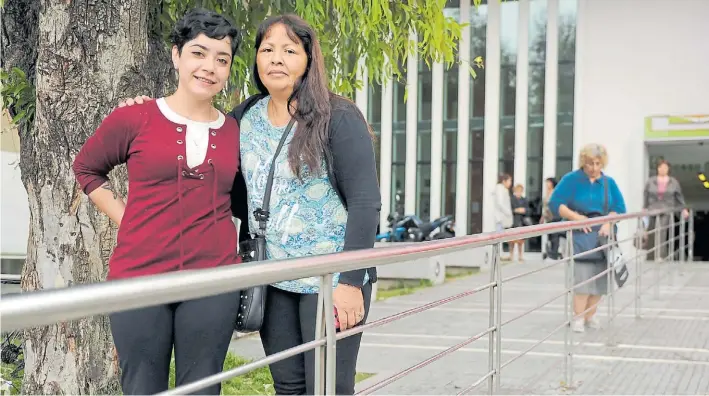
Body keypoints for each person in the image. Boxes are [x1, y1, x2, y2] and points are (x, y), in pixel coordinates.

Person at [120, 13, 381, 395]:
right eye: (268, 49)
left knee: (328, 388)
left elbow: (365, 202)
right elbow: (210, 158)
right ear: (257, 59)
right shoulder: (243, 118)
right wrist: (144, 111)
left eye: (290, 50)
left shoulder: (337, 117)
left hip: (329, 279)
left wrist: (351, 282)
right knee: (288, 387)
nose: (277, 58)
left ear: (309, 60)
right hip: (272, 279)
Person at [72, 9, 243, 394]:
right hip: (139, 278)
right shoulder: (136, 117)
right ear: (176, 55)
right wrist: (127, 217)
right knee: (142, 387)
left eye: (222, 59)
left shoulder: (235, 129)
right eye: (198, 53)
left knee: (202, 389)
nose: (209, 67)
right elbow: (86, 169)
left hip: (213, 280)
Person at [548, 143, 626, 333]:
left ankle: (591, 316)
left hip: (603, 237)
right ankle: (578, 318)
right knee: (582, 280)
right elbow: (555, 203)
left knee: (600, 280)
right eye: (590, 164)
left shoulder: (609, 183)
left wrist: (609, 221)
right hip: (580, 237)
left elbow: (620, 208)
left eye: (598, 164)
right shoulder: (571, 180)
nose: (594, 168)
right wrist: (576, 218)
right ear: (583, 162)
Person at [642, 159, 689, 260]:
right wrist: (644, 208)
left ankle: (659, 255)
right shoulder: (651, 181)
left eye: (665, 168)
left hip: (667, 209)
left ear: (668, 169)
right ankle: (650, 256)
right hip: (652, 209)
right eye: (661, 167)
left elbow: (679, 197)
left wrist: (684, 209)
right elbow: (646, 195)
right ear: (658, 169)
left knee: (661, 232)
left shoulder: (673, 182)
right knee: (651, 232)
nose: (663, 169)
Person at [493, 173, 513, 260]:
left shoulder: (502, 189)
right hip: (500, 217)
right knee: (499, 236)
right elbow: (500, 203)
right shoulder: (500, 189)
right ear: (504, 181)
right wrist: (508, 212)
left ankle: (500, 254)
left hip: (501, 217)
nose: (510, 183)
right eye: (509, 181)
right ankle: (499, 254)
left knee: (500, 235)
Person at [541, 177, 562, 260]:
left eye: (548, 182)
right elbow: (545, 206)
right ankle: (551, 252)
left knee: (555, 235)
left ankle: (554, 253)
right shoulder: (547, 193)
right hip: (548, 217)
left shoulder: (555, 192)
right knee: (550, 236)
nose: (546, 184)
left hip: (555, 216)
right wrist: (543, 217)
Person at [510, 184, 530, 261]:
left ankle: (520, 255)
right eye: (517, 191)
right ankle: (511, 255)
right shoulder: (512, 199)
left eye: (520, 191)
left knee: (521, 240)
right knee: (512, 240)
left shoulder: (524, 199)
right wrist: (516, 210)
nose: (519, 193)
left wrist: (524, 210)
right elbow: (509, 210)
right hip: (514, 221)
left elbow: (528, 210)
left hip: (522, 221)